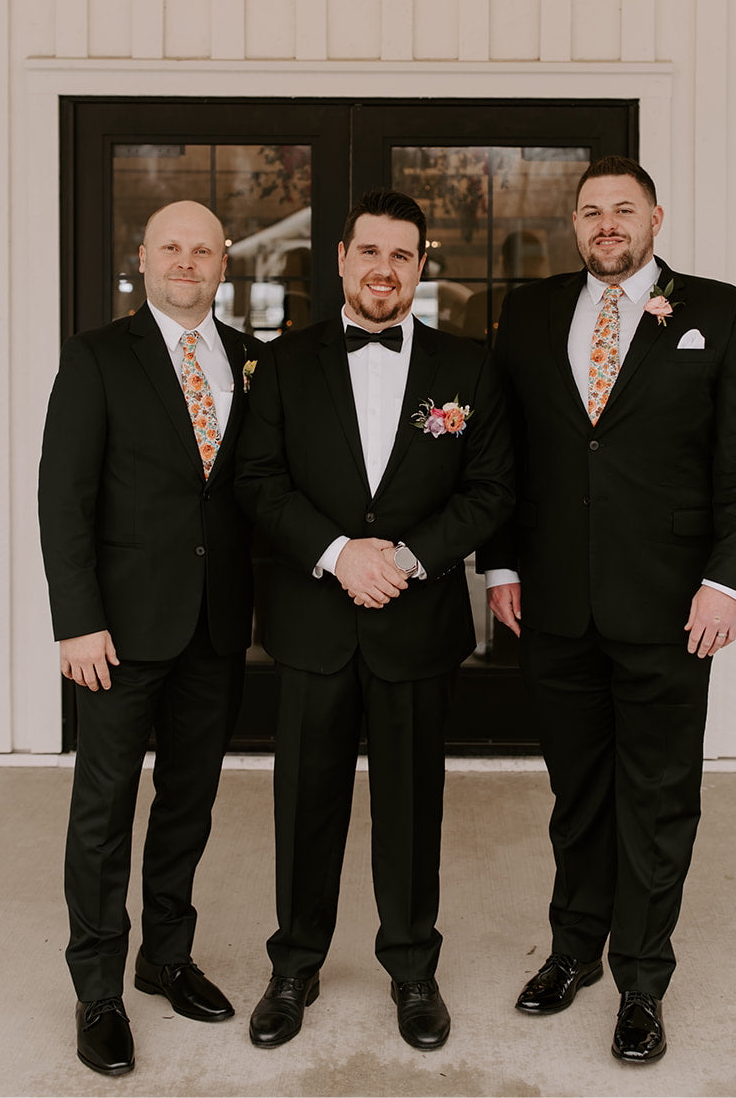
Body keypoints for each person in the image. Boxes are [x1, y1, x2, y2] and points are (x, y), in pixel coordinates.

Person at [481, 156, 736, 1063]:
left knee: (655, 799)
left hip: (670, 604)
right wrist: (498, 565)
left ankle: (642, 981)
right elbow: (505, 454)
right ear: (572, 227)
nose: (604, 224)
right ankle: (573, 950)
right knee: (577, 795)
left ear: (656, 217)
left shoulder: (720, 312)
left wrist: (725, 584)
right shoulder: (529, 313)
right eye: (588, 212)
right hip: (554, 602)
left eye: (622, 209)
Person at [235, 189, 515, 1051]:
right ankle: (294, 965)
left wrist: (399, 558)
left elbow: (492, 490)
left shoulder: (466, 368)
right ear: (343, 260)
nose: (383, 270)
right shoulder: (283, 364)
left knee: (410, 808)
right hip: (314, 621)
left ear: (421, 265)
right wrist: (336, 553)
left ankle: (412, 968)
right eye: (369, 253)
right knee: (303, 805)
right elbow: (256, 483)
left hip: (413, 622)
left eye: (401, 255)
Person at [38, 200, 260, 1076]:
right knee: (103, 811)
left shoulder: (252, 359)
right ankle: (98, 988)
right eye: (171, 246)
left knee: (188, 803)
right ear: (142, 258)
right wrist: (76, 620)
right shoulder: (97, 357)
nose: (186, 259)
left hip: (213, 623)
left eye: (202, 248)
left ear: (223, 262)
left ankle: (166, 957)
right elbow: (64, 497)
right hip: (118, 631)